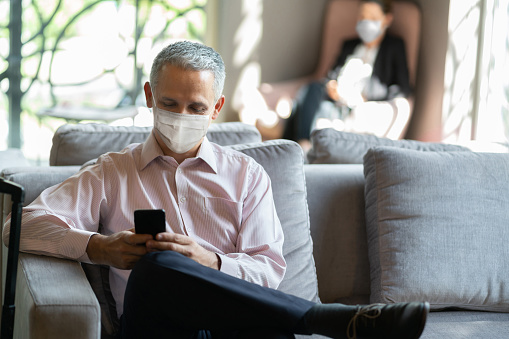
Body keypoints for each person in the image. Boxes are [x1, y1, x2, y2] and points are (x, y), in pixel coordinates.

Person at [3, 40, 428, 339]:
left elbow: (269, 270)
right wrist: (99, 247)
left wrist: (213, 261)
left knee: (270, 328)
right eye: (169, 104)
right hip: (156, 325)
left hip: (237, 325)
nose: (181, 116)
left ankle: (319, 322)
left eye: (196, 108)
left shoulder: (247, 175)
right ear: (150, 96)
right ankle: (327, 320)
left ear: (217, 109)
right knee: (156, 267)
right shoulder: (112, 171)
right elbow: (17, 226)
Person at [284, 0, 411, 150]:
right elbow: (331, 75)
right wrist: (331, 86)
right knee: (310, 92)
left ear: (387, 19)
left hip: (357, 105)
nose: (366, 21)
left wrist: (365, 98)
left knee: (309, 107)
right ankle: (301, 145)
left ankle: (297, 145)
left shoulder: (394, 47)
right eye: (363, 16)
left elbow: (402, 88)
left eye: (372, 17)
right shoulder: (349, 45)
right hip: (336, 102)